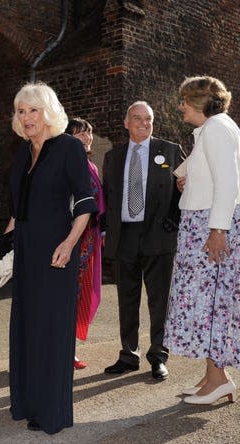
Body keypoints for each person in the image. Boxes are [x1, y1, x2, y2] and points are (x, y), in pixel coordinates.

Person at [163, 76, 240, 404]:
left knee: (214, 304)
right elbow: (208, 175)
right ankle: (212, 377)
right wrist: (186, 181)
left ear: (201, 102)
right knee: (209, 303)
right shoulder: (214, 128)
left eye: (185, 100)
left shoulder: (218, 129)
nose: (181, 106)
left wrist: (218, 230)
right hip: (204, 223)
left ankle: (218, 380)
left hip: (211, 226)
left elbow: (228, 184)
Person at [7, 82, 96, 435]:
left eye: (33, 110)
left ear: (49, 111)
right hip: (27, 249)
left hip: (57, 249)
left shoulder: (68, 147)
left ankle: (52, 411)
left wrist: (70, 242)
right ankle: (28, 402)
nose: (26, 117)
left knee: (52, 330)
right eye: (21, 111)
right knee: (27, 325)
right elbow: (20, 207)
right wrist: (6, 246)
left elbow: (85, 201)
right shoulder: (22, 153)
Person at [101, 101, 183, 381]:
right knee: (127, 299)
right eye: (137, 119)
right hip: (124, 235)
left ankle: (158, 356)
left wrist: (176, 218)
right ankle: (128, 354)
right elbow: (108, 198)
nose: (144, 124)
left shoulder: (169, 151)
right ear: (126, 123)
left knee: (159, 300)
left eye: (148, 119)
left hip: (159, 236)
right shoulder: (113, 157)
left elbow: (187, 189)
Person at [65, 118, 105, 369]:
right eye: (80, 134)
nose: (86, 137)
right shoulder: (65, 163)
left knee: (80, 296)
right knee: (65, 295)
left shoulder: (91, 166)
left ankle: (69, 350)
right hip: (69, 238)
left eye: (88, 133)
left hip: (88, 240)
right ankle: (61, 350)